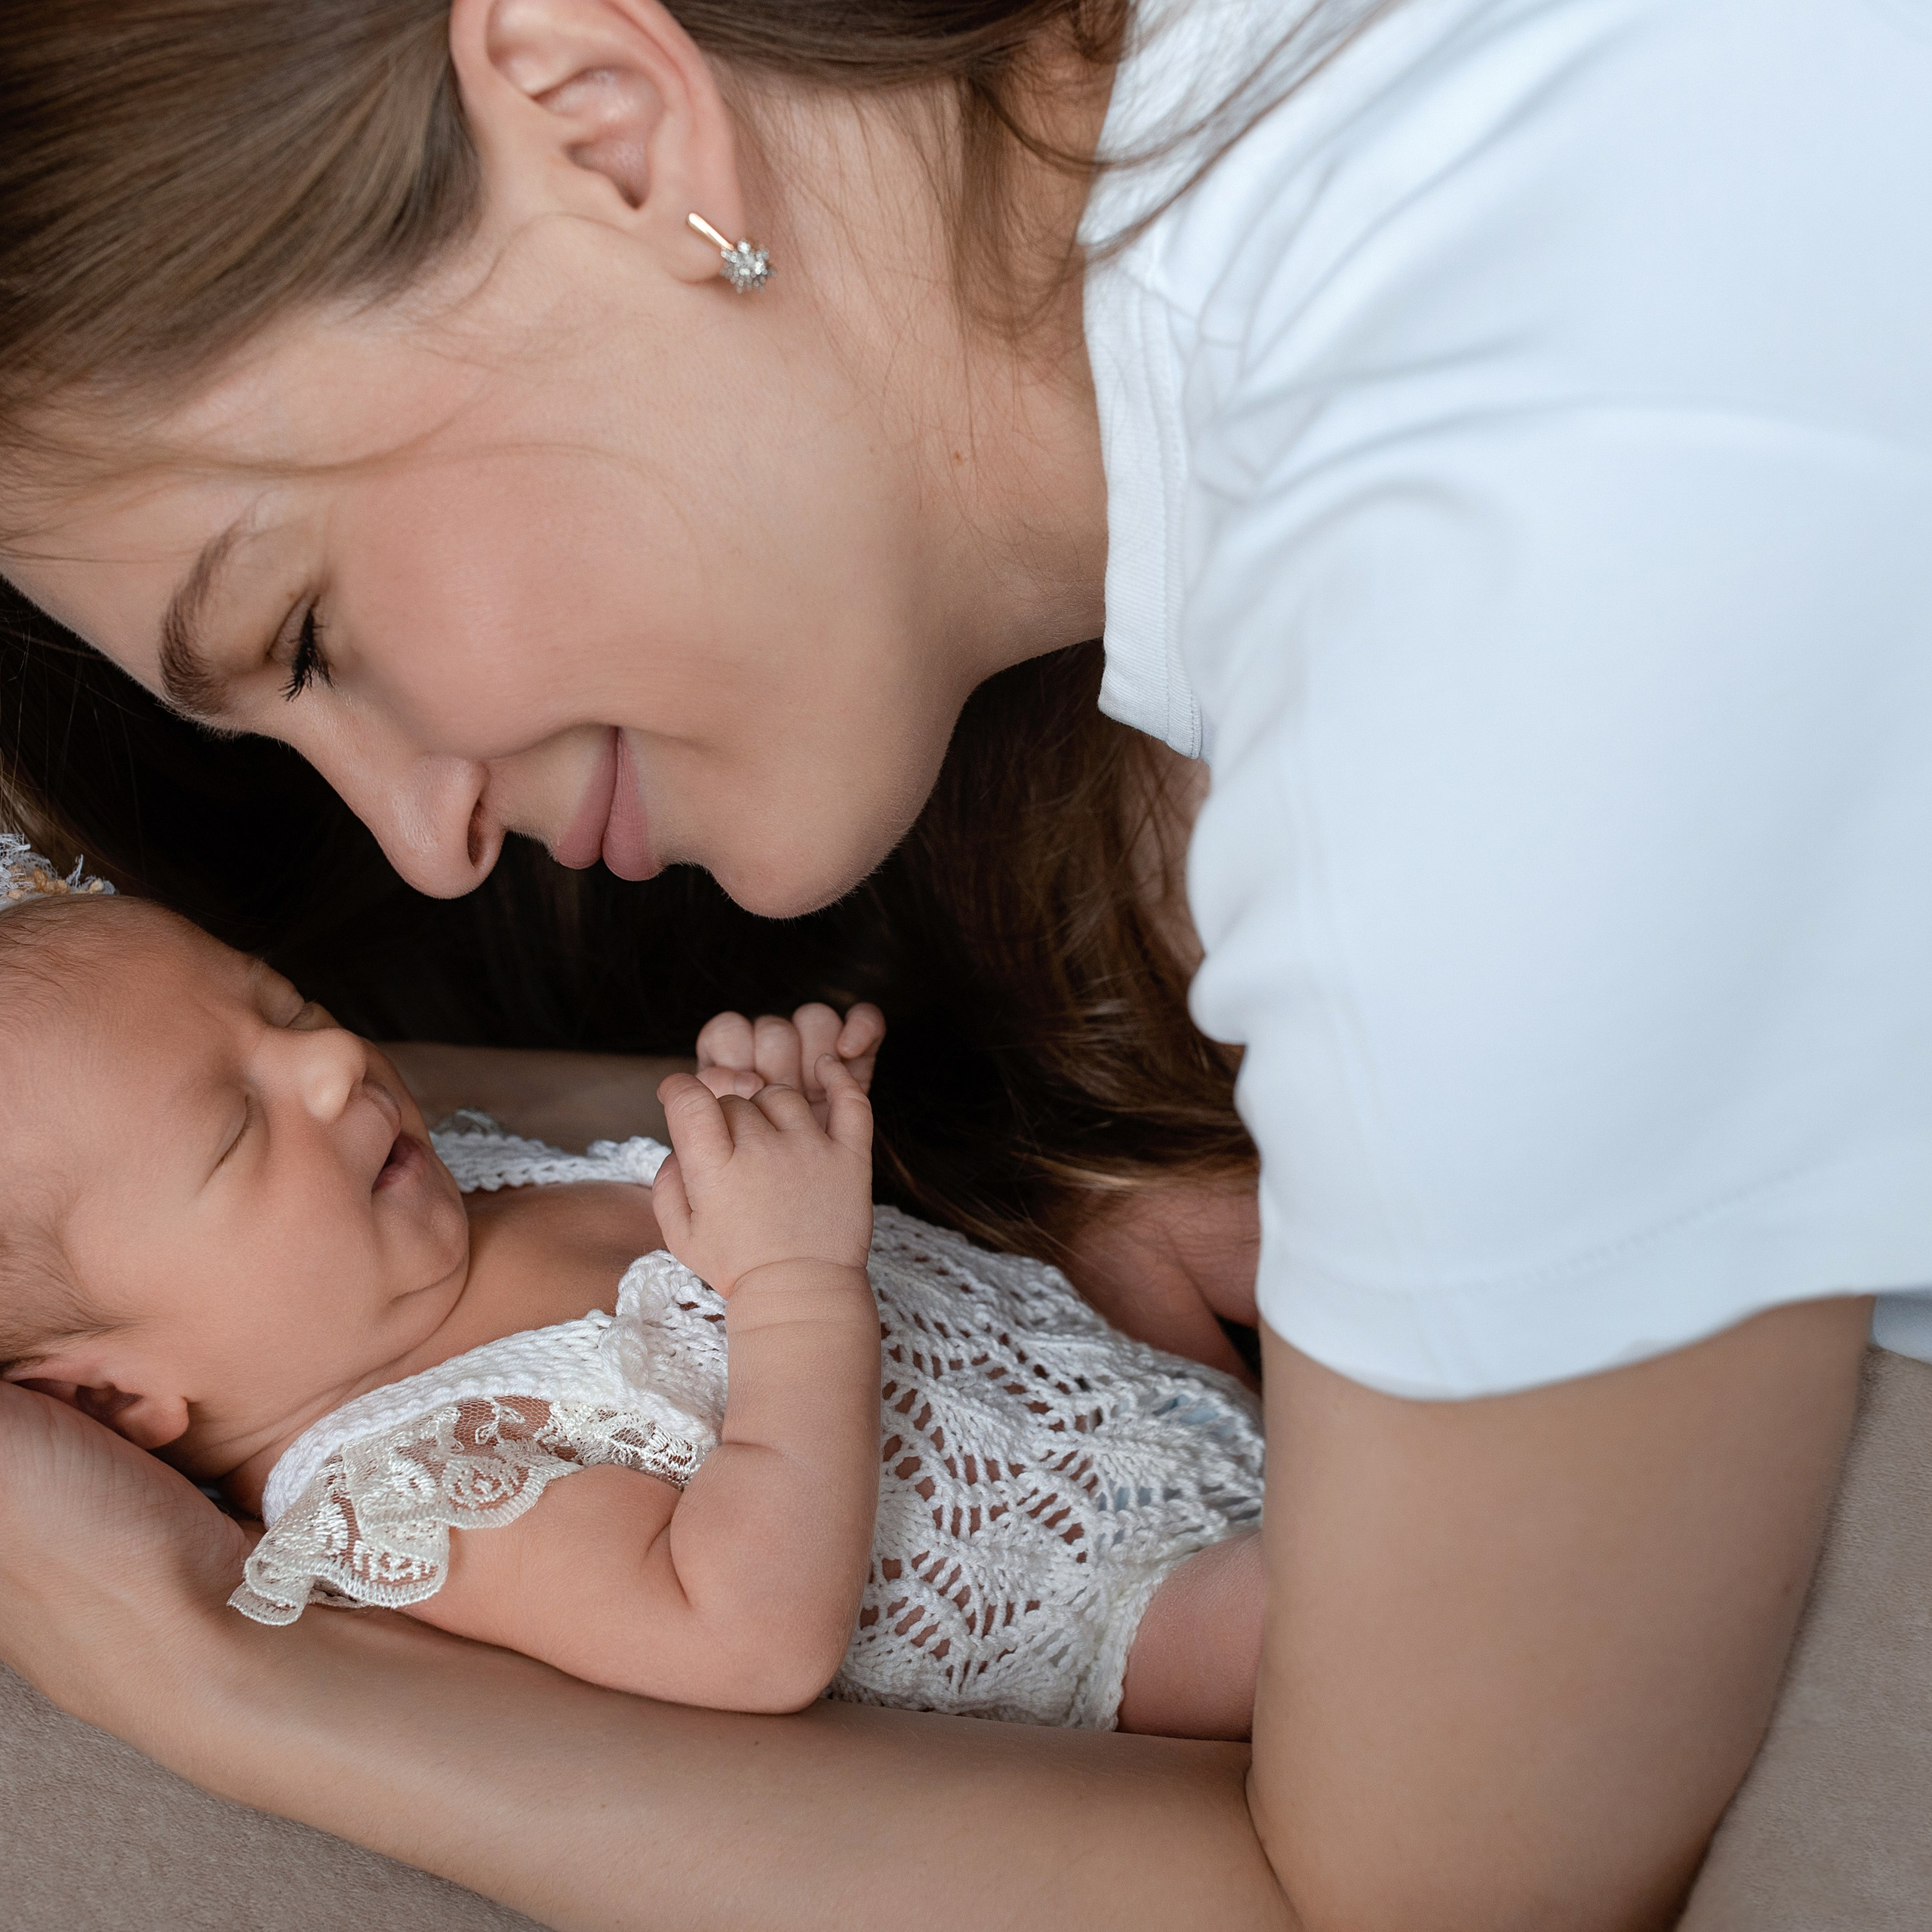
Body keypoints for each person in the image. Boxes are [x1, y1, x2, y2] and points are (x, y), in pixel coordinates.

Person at [0, 0, 1925, 1925]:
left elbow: (1428, 1900)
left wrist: (209, 1662)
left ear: (603, 126)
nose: (419, 834)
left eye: (309, 631)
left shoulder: (1474, 674)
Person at [0, 863, 1266, 1736]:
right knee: (1352, 1616)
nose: (330, 1060)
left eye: (285, 1007)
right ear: (118, 1395)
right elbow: (742, 1636)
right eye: (234, 1129)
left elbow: (692, 1218)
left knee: (1183, 1200)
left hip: (1088, 1361)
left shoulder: (448, 1184)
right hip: (1119, 1604)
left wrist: (768, 1130)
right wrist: (792, 1282)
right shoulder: (405, 1486)